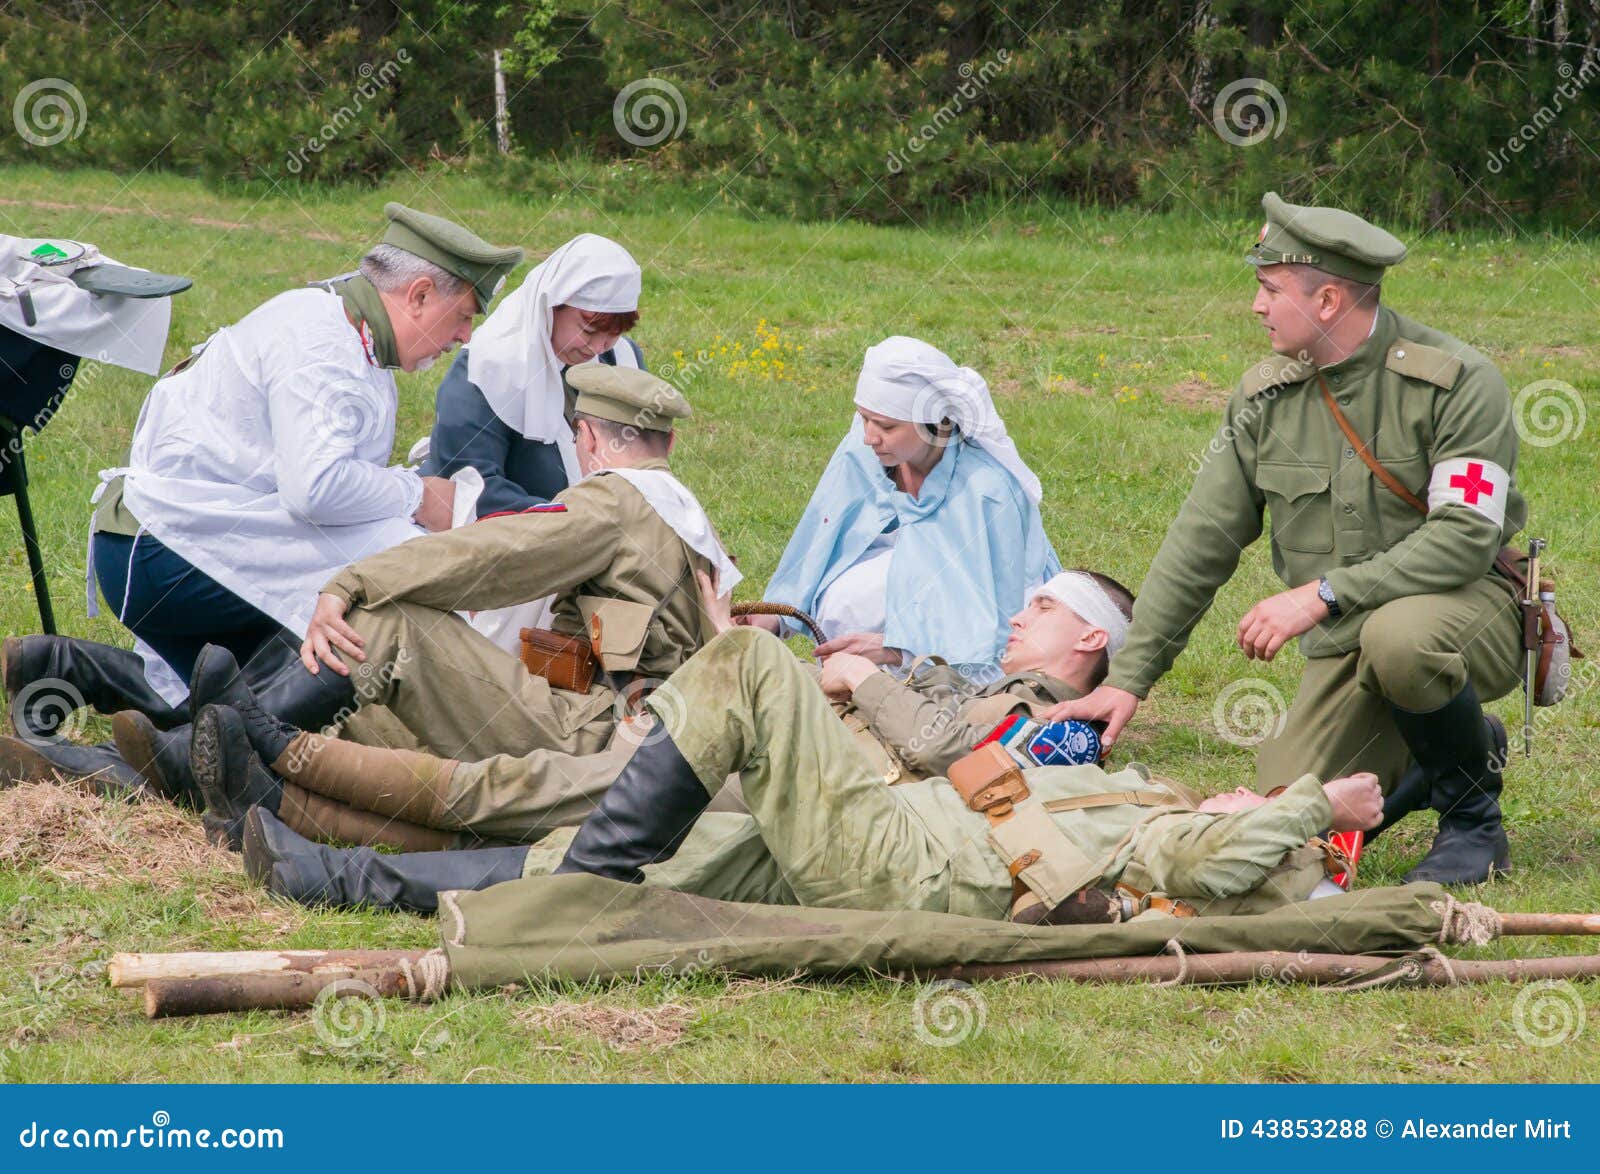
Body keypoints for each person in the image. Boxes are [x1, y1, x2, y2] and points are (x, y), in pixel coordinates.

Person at [234, 626, 1383, 917]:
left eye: (1261, 797)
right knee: (677, 856)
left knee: (742, 666)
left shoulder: (1195, 844)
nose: (1243, 786)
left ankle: (578, 887)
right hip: (893, 825)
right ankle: (335, 878)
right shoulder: (1159, 807)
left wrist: (1309, 806)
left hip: (908, 867)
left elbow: (1228, 861)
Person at [1049, 191, 1529, 886]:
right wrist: (1129, 679)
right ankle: (1447, 752)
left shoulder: (1457, 384)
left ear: (1329, 300)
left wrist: (1325, 594)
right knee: (1280, 829)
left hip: (1462, 611)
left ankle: (1472, 821)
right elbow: (1200, 540)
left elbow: (1462, 539)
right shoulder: (1264, 399)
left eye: (1269, 289)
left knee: (1402, 641)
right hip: (1348, 638)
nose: (1256, 305)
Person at [3, 205, 522, 786]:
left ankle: (66, 669)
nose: (464, 336)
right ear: (421, 294)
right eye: (463, 316)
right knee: (375, 607)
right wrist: (418, 493)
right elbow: (316, 490)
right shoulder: (327, 344)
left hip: (167, 543)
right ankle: (174, 769)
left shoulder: (341, 327)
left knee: (253, 686)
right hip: (163, 553)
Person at [101, 365, 736, 809]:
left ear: (591, 438)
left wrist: (355, 579)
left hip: (592, 737)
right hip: (629, 733)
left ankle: (188, 757)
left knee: (386, 627)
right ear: (669, 442)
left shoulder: (615, 501)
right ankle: (222, 746)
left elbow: (499, 552)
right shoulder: (684, 515)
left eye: (579, 437)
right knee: (369, 699)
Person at [182, 569, 1135, 854]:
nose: (1019, 613)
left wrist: (856, 685)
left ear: (1091, 641)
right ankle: (259, 782)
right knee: (541, 794)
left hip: (789, 796)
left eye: (1044, 608)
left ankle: (279, 764)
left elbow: (951, 768)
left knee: (547, 790)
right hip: (737, 744)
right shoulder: (981, 686)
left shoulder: (1065, 728)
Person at [758, 336, 1059, 677]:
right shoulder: (862, 447)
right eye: (863, 418)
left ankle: (907, 684)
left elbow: (993, 619)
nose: (870, 436)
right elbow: (822, 533)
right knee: (848, 597)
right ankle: (857, 682)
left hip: (958, 645)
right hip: (895, 598)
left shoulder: (988, 490)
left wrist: (898, 648)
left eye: (886, 426)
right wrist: (776, 614)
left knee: (876, 600)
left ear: (935, 426)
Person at [420, 233, 645, 516]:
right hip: (513, 536)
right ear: (550, 306)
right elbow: (471, 490)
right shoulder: (484, 373)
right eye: (589, 330)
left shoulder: (621, 358)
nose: (599, 347)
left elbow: (646, 460)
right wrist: (576, 518)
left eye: (614, 335)